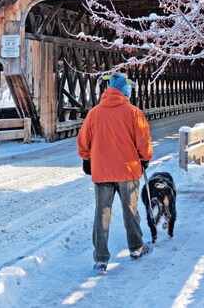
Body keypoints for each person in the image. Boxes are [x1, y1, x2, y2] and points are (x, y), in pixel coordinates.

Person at [77, 73, 154, 274]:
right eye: (127, 87)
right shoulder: (133, 112)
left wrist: (86, 159)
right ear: (123, 90)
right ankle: (136, 248)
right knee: (131, 211)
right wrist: (145, 158)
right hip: (127, 171)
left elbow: (83, 141)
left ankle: (100, 260)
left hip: (102, 171)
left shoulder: (94, 113)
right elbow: (143, 141)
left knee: (102, 213)